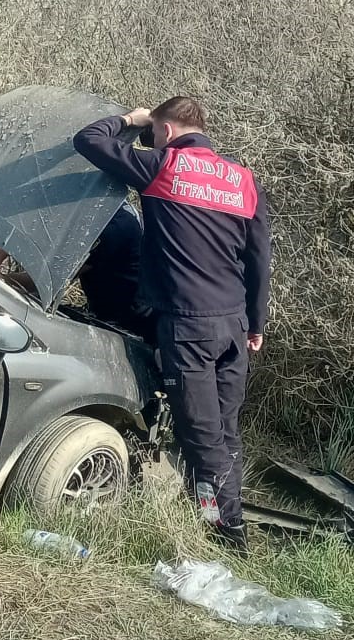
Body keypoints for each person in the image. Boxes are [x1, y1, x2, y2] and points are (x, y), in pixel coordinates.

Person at [73, 97, 271, 549]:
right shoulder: (242, 180)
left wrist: (132, 120)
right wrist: (256, 321)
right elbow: (260, 256)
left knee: (201, 435)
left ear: (165, 131)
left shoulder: (163, 167)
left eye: (156, 131)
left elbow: (88, 139)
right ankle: (214, 514)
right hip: (233, 326)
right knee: (224, 429)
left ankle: (227, 532)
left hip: (188, 327)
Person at [75, 199, 153, 341]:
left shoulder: (111, 226)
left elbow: (61, 276)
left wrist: (19, 287)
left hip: (126, 323)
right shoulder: (116, 207)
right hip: (126, 308)